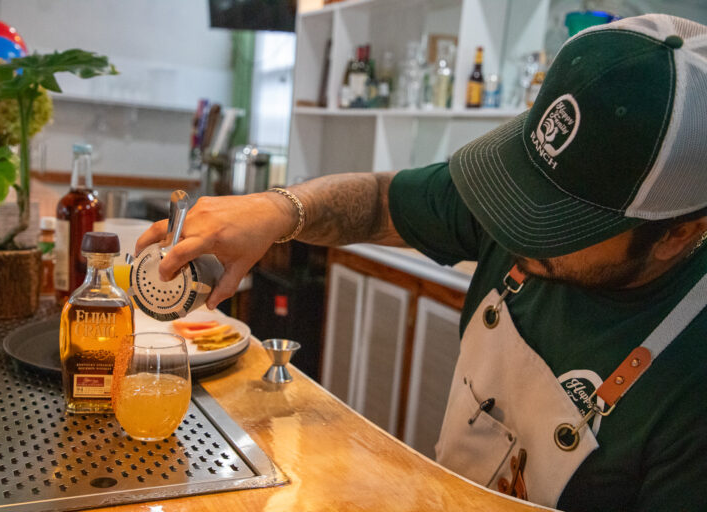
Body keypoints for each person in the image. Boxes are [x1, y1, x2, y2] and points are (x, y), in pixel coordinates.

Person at [136, 14, 707, 511]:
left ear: (679, 234)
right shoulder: (512, 208)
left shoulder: (692, 381)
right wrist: (276, 208)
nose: (513, 226)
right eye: (527, 190)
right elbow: (384, 201)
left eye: (559, 222)